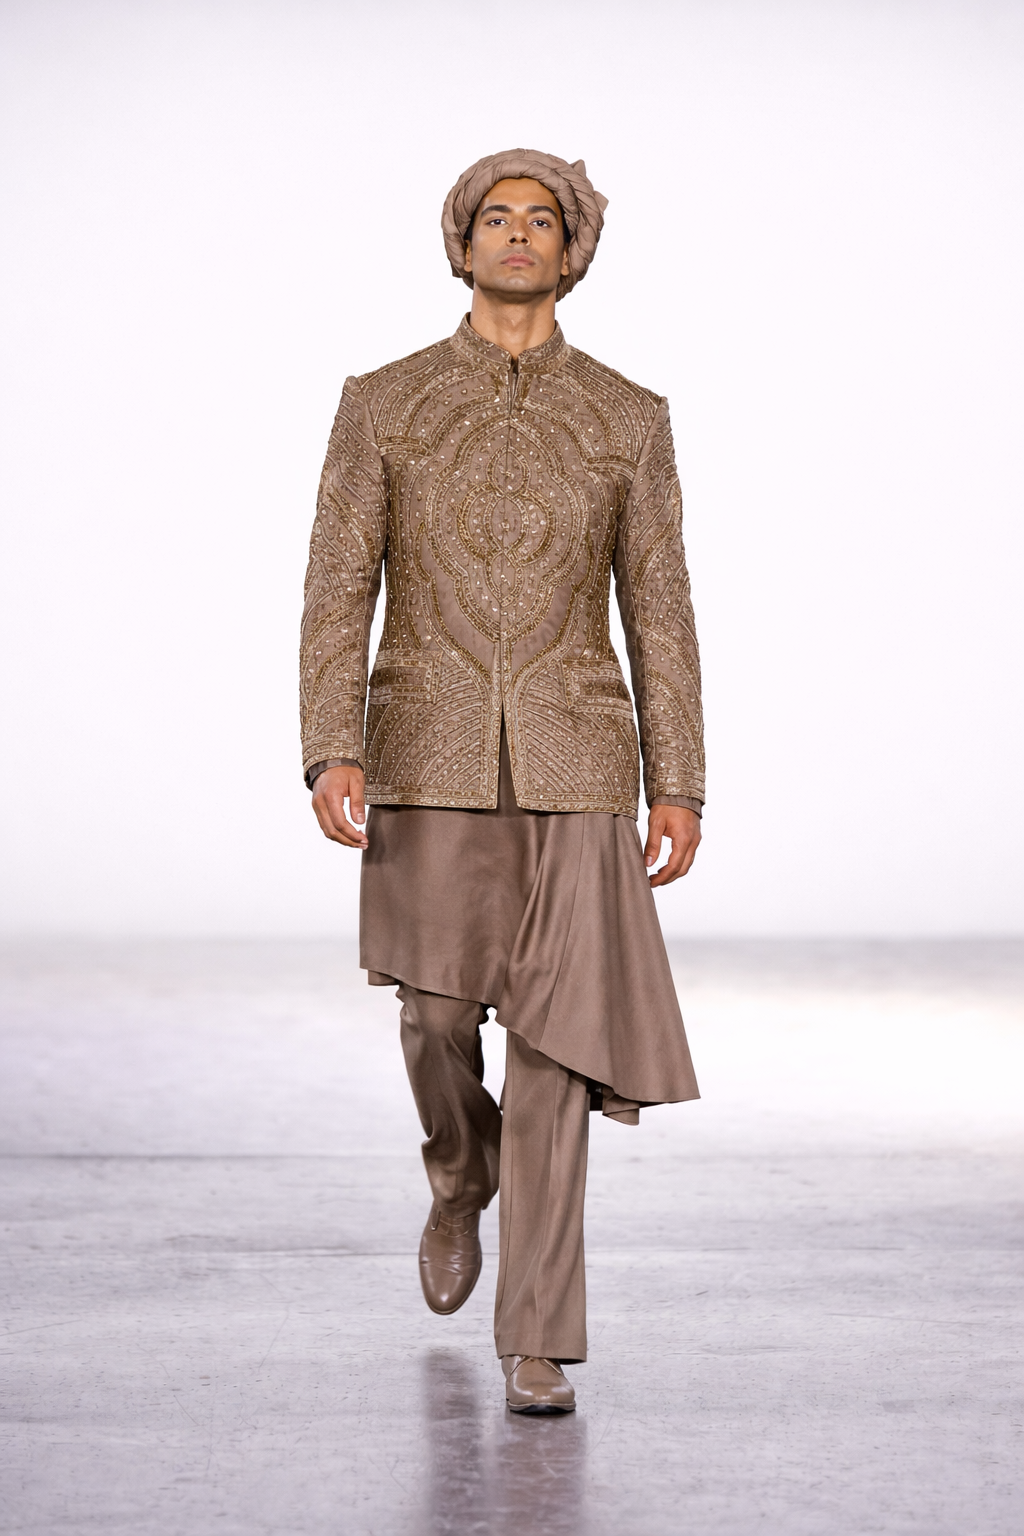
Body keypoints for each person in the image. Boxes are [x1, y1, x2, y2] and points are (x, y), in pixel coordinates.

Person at [300, 149, 704, 1415]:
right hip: (424, 751)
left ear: (573, 251)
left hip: (579, 759)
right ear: (461, 243)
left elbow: (660, 607)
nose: (517, 234)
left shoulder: (627, 415)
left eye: (541, 220)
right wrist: (331, 742)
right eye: (495, 218)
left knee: (554, 1054)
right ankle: (458, 1172)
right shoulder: (384, 403)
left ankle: (535, 1339)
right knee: (433, 1018)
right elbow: (337, 586)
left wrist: (680, 779)